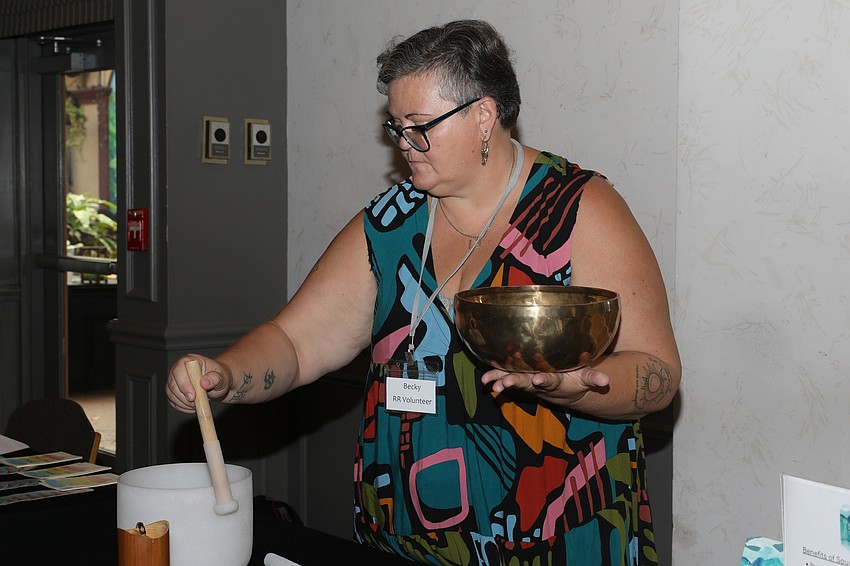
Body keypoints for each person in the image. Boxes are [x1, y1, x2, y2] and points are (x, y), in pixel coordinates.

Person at [167, 19, 681, 565]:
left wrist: (575, 388)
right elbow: (295, 344)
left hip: (551, 534)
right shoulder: (391, 222)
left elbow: (659, 375)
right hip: (406, 534)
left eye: (420, 125)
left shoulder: (579, 209)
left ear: (483, 115)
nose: (405, 144)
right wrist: (226, 375)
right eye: (396, 127)